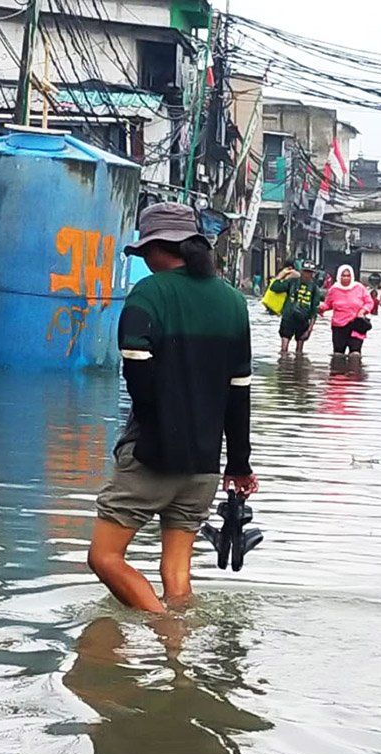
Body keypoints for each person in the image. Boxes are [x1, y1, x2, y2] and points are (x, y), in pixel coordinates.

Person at [89, 202, 258, 614]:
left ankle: (165, 627)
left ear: (158, 249)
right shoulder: (233, 302)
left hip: (154, 456)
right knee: (177, 574)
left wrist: (157, 435)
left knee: (104, 557)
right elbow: (239, 393)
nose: (145, 260)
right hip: (204, 464)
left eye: (146, 252)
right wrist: (239, 464)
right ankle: (178, 666)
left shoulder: (149, 293)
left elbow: (138, 376)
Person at [319, 264, 374, 357]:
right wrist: (320, 308)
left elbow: (369, 302)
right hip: (339, 326)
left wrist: (362, 311)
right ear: (339, 276)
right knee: (338, 355)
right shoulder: (334, 289)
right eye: (343, 275)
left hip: (356, 324)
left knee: (355, 354)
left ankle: (355, 371)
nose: (346, 278)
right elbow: (328, 304)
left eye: (348, 276)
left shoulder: (359, 288)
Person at [270, 261, 323, 355]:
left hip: (303, 321)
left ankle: (298, 367)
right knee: (284, 350)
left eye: (310, 272)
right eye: (305, 272)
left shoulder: (314, 289)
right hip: (288, 318)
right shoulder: (292, 282)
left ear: (313, 274)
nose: (307, 275)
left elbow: (314, 310)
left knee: (299, 352)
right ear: (301, 271)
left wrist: (310, 329)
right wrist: (281, 275)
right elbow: (274, 287)